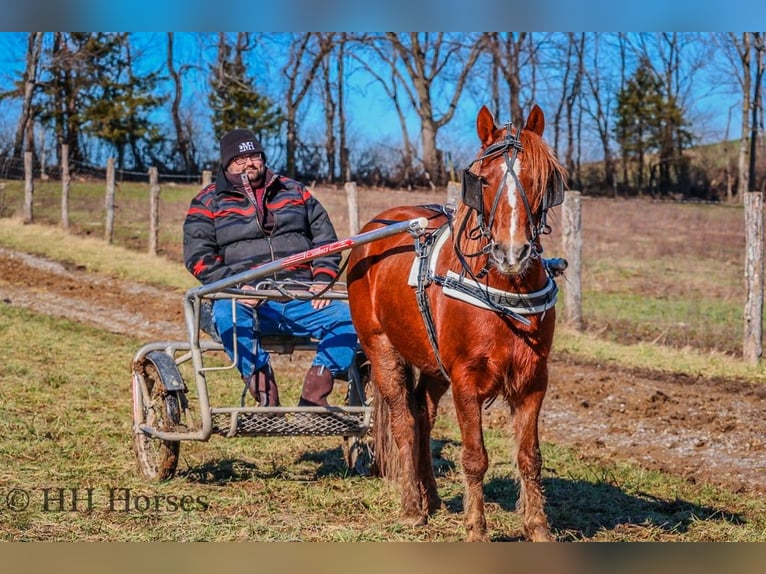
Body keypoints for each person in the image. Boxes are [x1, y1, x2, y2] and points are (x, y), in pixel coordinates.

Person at [183, 128, 358, 408]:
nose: (249, 163)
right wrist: (238, 287)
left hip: (302, 295)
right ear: (226, 164)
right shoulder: (207, 201)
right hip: (247, 300)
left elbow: (326, 241)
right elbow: (198, 255)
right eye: (240, 159)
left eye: (254, 155)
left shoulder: (295, 191)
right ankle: (266, 394)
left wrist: (322, 278)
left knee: (352, 318)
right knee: (227, 314)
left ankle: (314, 396)